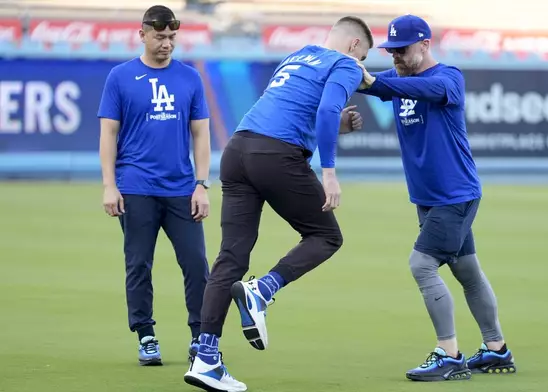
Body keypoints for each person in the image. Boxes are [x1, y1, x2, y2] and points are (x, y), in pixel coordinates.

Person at [183, 15, 371, 392]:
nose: (361, 66)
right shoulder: (346, 64)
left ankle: (205, 358)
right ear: (354, 47)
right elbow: (326, 108)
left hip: (237, 150)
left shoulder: (300, 55)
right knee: (325, 236)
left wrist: (336, 127)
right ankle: (262, 290)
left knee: (230, 257)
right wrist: (329, 172)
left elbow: (295, 109)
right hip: (276, 154)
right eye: (363, 56)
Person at [356, 14, 517, 382]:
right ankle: (496, 350)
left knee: (421, 265)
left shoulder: (449, 78)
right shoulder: (398, 79)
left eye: (402, 50)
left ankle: (449, 354)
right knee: (467, 272)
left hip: (454, 195)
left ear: (426, 44)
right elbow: (372, 84)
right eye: (391, 51)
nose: (395, 57)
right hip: (429, 198)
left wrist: (379, 84)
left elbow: (424, 90)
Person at [97, 5, 211, 366]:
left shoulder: (190, 77)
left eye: (172, 37)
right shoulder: (119, 77)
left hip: (180, 188)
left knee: (196, 264)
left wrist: (202, 184)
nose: (167, 43)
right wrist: (108, 185)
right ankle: (146, 335)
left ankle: (200, 336)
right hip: (135, 187)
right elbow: (108, 134)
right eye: (160, 36)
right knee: (138, 264)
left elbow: (201, 133)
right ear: (142, 34)